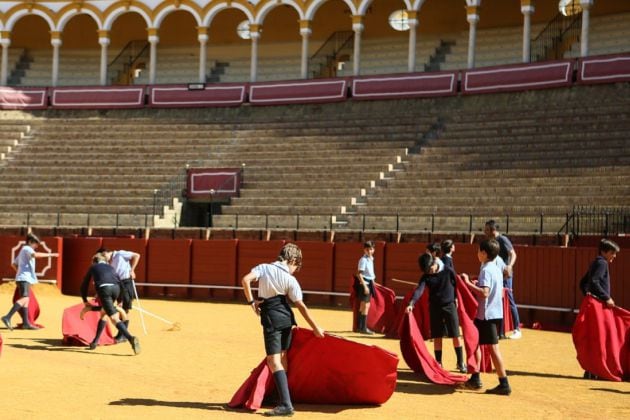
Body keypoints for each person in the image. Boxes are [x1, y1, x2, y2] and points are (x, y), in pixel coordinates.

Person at [241, 243, 325, 417]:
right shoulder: (290, 279)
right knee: (284, 356)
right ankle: (282, 396)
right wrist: (315, 327)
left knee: (273, 360)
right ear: (292, 259)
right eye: (297, 265)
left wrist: (251, 302)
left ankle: (286, 404)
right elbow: (300, 305)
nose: (296, 269)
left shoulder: (264, 268)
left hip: (272, 318)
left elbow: (245, 280)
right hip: (287, 319)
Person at [461, 239, 511, 395]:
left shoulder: (486, 270)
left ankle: (503, 383)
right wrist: (476, 282)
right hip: (495, 312)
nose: (477, 253)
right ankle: (476, 377)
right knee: (474, 342)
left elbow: (484, 292)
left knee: (492, 348)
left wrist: (468, 283)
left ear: (484, 253)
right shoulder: (495, 267)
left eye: (478, 251)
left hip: (486, 315)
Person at [406, 253, 466, 373]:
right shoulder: (426, 276)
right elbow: (419, 290)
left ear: (434, 263)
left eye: (430, 269)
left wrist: (456, 298)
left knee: (455, 334)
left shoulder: (448, 271)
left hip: (449, 306)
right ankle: (438, 363)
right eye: (426, 271)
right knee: (437, 335)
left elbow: (456, 285)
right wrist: (411, 303)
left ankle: (460, 362)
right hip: (434, 307)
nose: (429, 272)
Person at [80, 253, 141, 355]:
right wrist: (120, 300)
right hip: (116, 288)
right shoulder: (110, 267)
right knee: (104, 313)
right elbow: (120, 283)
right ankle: (95, 342)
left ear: (94, 261)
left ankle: (131, 338)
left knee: (114, 318)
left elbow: (84, 285)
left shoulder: (93, 267)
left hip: (104, 289)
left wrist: (85, 301)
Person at [578, 238, 620, 379]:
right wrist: (605, 297)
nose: (614, 256)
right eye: (612, 253)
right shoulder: (602, 263)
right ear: (604, 252)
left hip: (593, 305)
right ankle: (596, 370)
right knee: (602, 338)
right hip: (598, 306)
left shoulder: (596, 262)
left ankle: (591, 370)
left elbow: (583, 283)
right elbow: (594, 282)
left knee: (594, 337)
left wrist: (590, 297)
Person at [2, 233, 59, 331]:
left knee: (26, 301)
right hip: (24, 279)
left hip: (23, 278)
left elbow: (13, 264)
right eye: (36, 244)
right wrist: (51, 254)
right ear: (30, 242)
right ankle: (7, 316)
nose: (36, 246)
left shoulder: (23, 250)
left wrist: (20, 273)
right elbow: (35, 255)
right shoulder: (27, 249)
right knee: (24, 299)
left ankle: (26, 323)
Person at [92, 247, 141, 343]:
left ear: (105, 253)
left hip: (126, 282)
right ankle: (122, 334)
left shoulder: (120, 254)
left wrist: (132, 270)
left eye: (103, 256)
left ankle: (122, 335)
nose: (103, 258)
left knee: (125, 308)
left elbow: (137, 255)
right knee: (113, 308)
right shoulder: (108, 262)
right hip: (116, 284)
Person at [484, 220, 521, 339]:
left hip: (505, 274)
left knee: (509, 299)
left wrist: (509, 266)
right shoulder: (492, 241)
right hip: (496, 274)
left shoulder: (502, 239)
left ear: (493, 230)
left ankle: (517, 328)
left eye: (487, 229)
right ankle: (500, 329)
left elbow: (513, 254)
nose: (485, 232)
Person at [354, 240, 376, 334]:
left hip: (368, 283)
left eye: (371, 249)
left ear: (373, 249)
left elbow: (370, 273)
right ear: (364, 250)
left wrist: (373, 282)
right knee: (366, 305)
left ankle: (360, 326)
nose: (369, 251)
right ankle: (363, 328)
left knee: (363, 305)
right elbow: (359, 274)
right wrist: (365, 286)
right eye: (367, 249)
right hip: (365, 284)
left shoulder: (370, 259)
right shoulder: (363, 260)